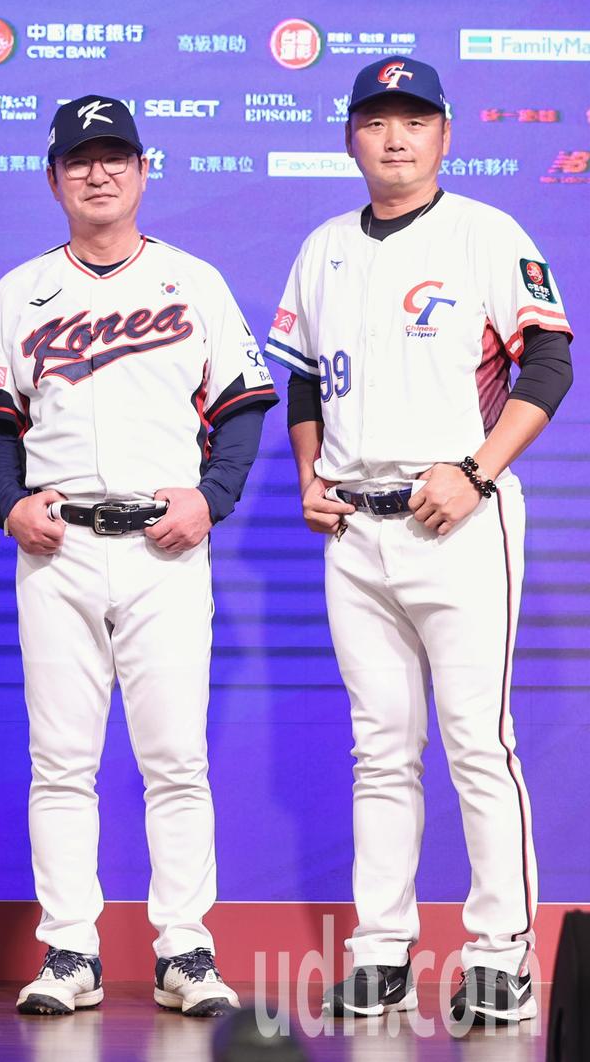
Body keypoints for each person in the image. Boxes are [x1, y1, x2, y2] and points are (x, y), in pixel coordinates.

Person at [264, 57, 573, 1025]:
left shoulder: (484, 232)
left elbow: (549, 362)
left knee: (477, 742)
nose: (393, 138)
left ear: (445, 133)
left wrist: (475, 473)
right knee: (380, 751)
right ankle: (381, 951)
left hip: (459, 520)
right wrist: (309, 475)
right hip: (357, 528)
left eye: (412, 120)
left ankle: (501, 955)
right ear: (349, 137)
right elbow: (302, 379)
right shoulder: (322, 247)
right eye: (375, 121)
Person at [0, 96, 278, 1018]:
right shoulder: (18, 291)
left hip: (162, 547)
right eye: (79, 160)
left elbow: (240, 407)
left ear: (144, 171)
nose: (98, 173)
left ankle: (185, 948)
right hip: (59, 548)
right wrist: (8, 505)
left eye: (115, 158)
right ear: (52, 179)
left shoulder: (193, 281)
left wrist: (210, 499)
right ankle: (70, 949)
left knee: (175, 758)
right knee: (60, 761)